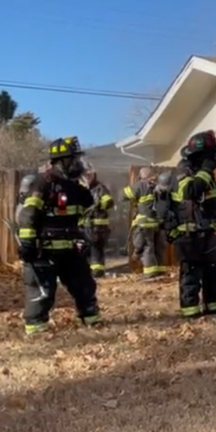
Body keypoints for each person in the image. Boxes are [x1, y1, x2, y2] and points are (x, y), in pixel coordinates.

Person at [14, 137, 102, 336]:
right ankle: (37, 329)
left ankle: (92, 319)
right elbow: (29, 214)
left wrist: (88, 184)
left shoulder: (75, 188)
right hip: (44, 250)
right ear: (61, 161)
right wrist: (27, 242)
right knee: (42, 291)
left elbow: (87, 208)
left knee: (85, 286)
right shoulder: (43, 183)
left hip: (71, 249)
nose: (78, 164)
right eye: (73, 159)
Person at [162, 130, 216, 318]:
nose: (214, 159)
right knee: (191, 275)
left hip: (207, 233)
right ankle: (191, 312)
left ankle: (214, 306)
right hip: (188, 235)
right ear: (200, 155)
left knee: (214, 270)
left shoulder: (205, 176)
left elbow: (214, 201)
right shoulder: (182, 172)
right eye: (210, 155)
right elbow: (191, 192)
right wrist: (206, 170)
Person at [123, 166, 168, 279]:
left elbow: (124, 196)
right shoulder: (160, 186)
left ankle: (150, 272)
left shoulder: (141, 185)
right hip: (158, 223)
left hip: (145, 223)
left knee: (147, 247)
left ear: (142, 176)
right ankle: (160, 270)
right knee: (159, 247)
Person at [80, 168, 115, 277]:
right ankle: (84, 270)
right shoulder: (79, 189)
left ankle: (97, 271)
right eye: (85, 175)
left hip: (97, 226)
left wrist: (99, 204)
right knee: (83, 249)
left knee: (96, 248)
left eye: (89, 175)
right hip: (83, 226)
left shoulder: (100, 188)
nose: (87, 177)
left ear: (94, 175)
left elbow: (108, 202)